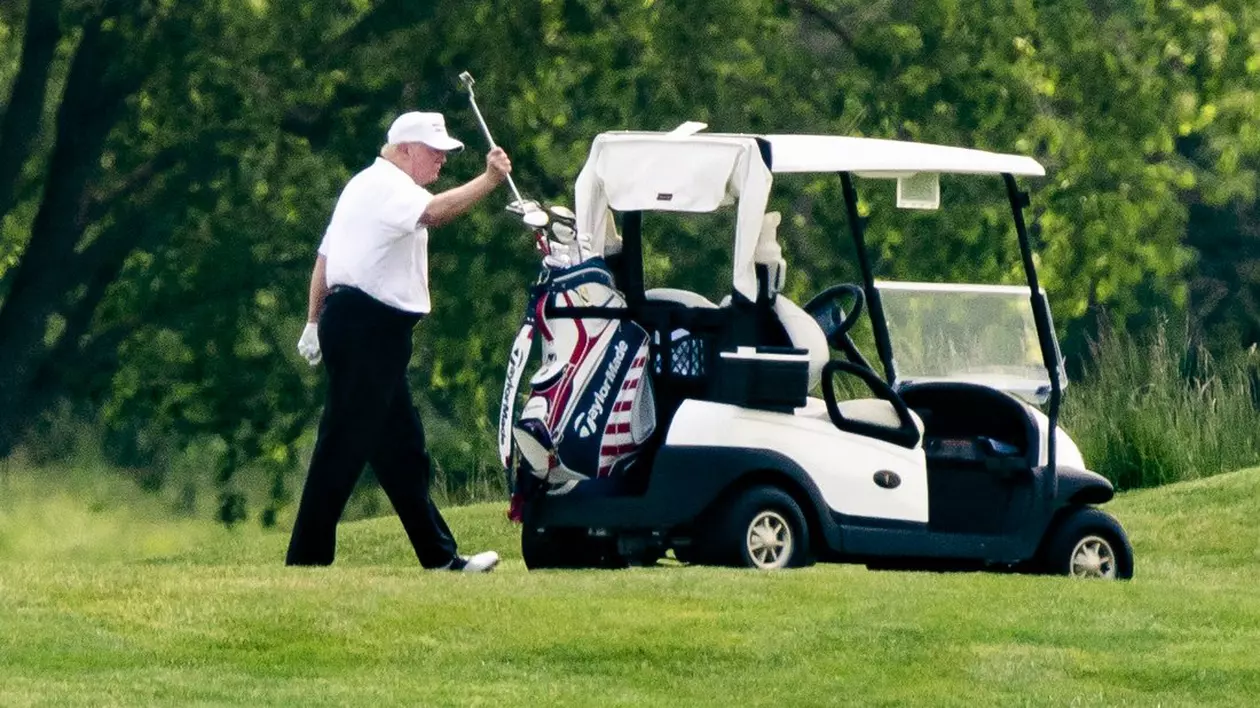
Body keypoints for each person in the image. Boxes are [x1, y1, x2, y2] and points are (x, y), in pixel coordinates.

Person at [288, 110, 511, 572]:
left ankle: (441, 558)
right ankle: (306, 563)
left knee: (402, 451)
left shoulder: (363, 184)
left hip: (366, 328)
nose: (441, 162)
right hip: (365, 326)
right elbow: (436, 213)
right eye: (435, 153)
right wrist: (489, 180)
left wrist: (314, 321)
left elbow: (326, 258)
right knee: (344, 444)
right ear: (406, 149)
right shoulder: (391, 187)